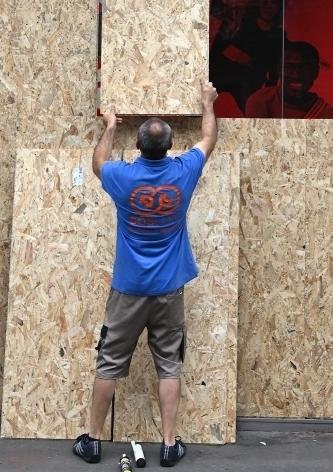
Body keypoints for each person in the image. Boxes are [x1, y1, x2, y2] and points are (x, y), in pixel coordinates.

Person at [73, 82, 218, 467]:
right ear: (170, 148)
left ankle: (93, 440)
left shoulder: (122, 177)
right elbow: (208, 137)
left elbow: (97, 164)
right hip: (169, 290)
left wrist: (109, 125)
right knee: (169, 364)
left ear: (137, 147)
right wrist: (207, 103)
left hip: (129, 290)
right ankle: (169, 445)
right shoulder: (185, 171)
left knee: (108, 363)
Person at [209, 0, 287, 112]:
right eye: (265, 2)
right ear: (259, 3)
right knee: (203, 106)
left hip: (248, 79)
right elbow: (219, 42)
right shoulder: (242, 18)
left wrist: (269, 91)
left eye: (274, 3)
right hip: (222, 69)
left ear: (279, 6)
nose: (269, 7)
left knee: (249, 114)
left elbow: (275, 65)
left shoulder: (278, 34)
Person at [244, 41, 333, 119]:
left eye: (305, 69)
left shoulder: (325, 114)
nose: (296, 75)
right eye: (288, 67)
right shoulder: (260, 101)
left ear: (316, 72)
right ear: (279, 70)